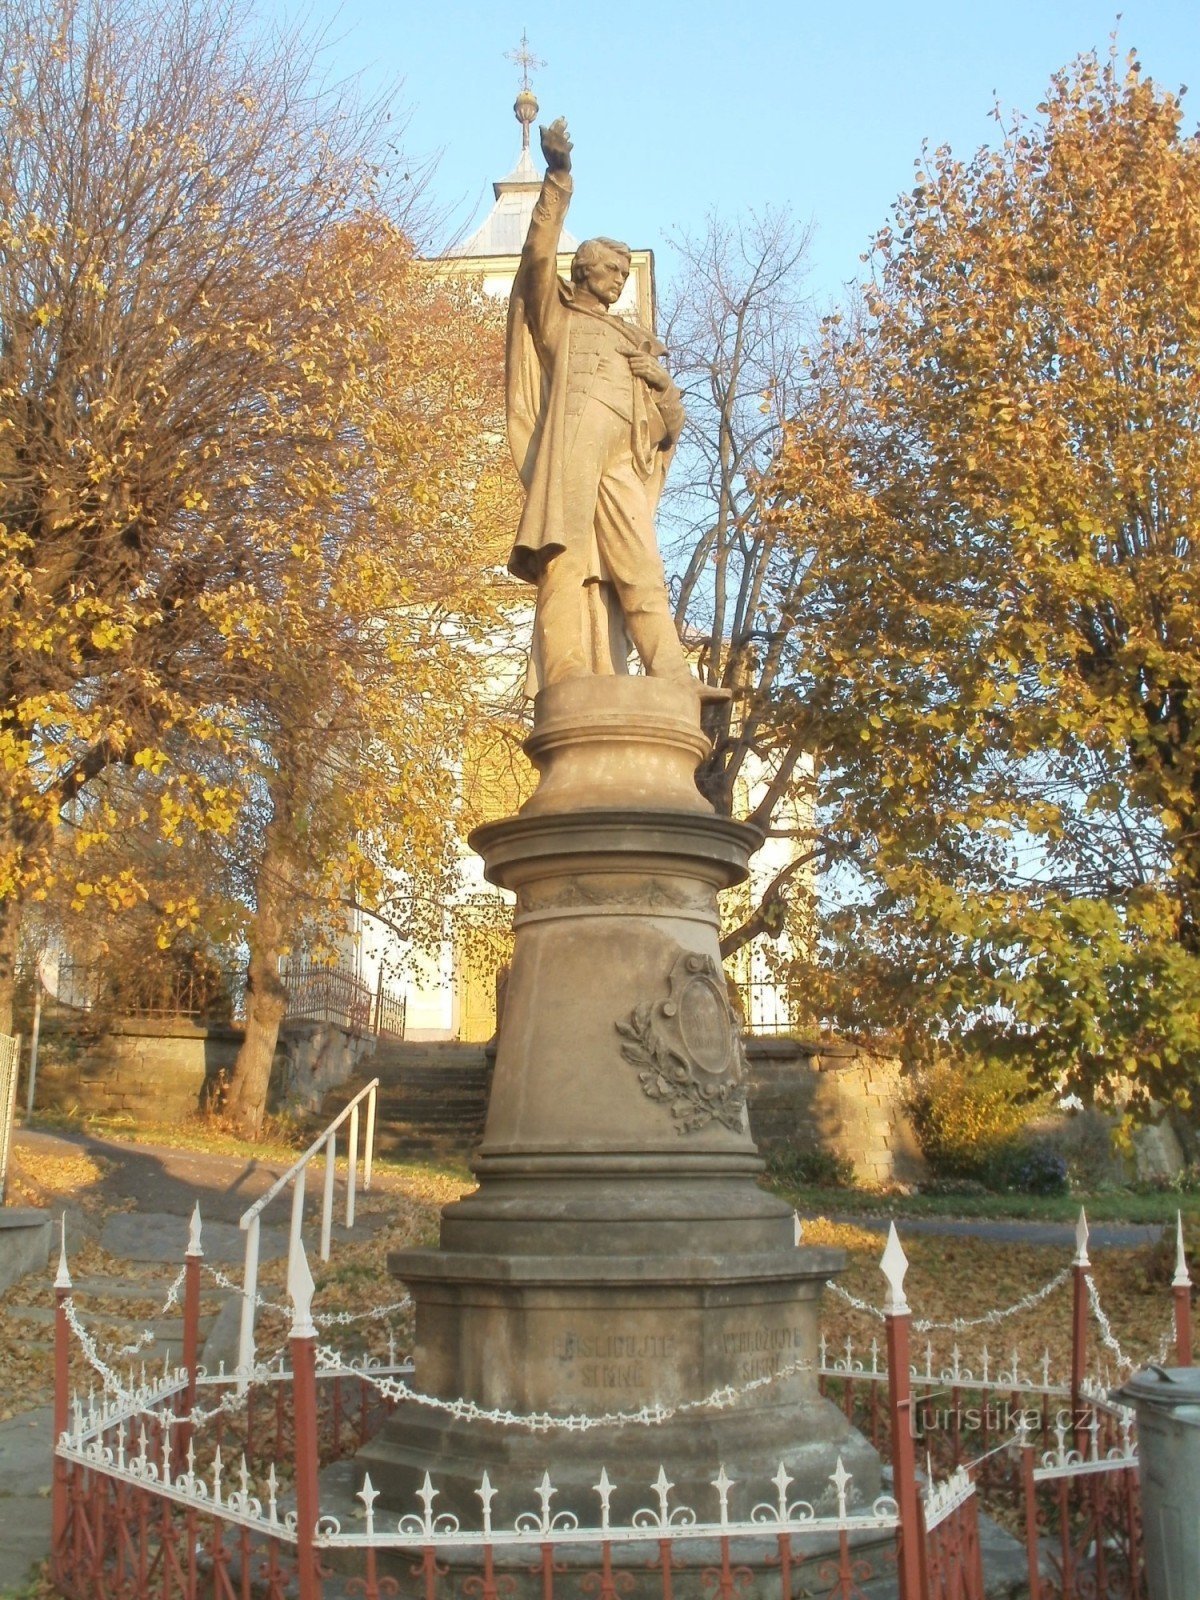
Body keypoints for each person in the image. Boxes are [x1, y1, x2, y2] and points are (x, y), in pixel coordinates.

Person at [506, 117, 693, 692]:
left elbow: (666, 428)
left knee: (641, 568)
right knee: (564, 562)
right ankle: (565, 677)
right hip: (573, 452)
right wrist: (559, 178)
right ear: (585, 271)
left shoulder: (632, 339)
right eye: (611, 270)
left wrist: (663, 388)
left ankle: (672, 674)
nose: (618, 281)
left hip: (622, 461)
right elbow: (537, 257)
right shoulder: (558, 318)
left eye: (622, 272)